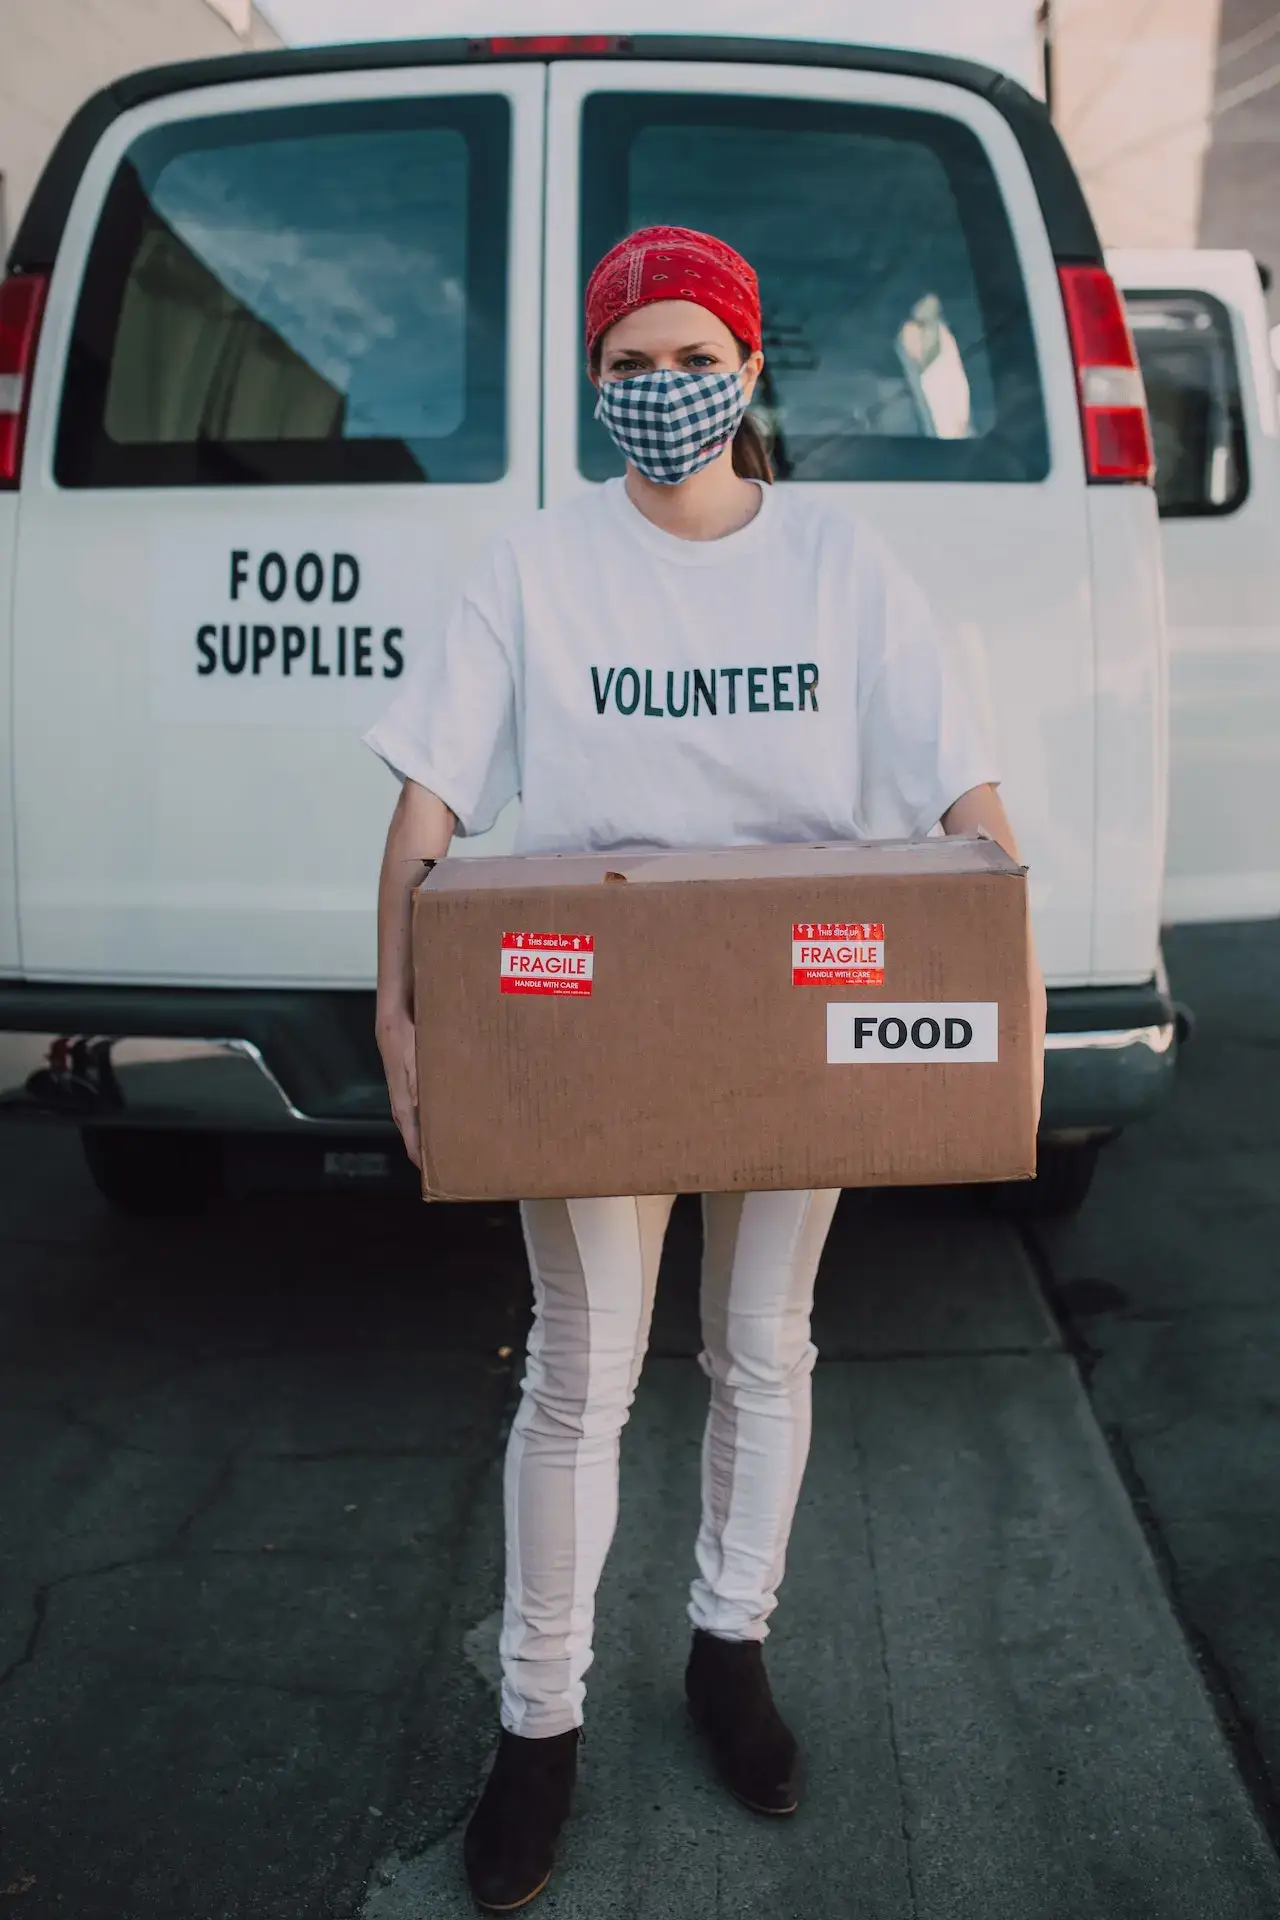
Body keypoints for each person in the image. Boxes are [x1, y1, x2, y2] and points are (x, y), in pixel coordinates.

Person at [367, 225, 1045, 1914]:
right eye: (625, 367)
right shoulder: (537, 568)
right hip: (592, 1016)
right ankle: (538, 1726)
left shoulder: (839, 563)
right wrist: (401, 1006)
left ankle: (728, 1649)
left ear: (748, 369)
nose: (660, 393)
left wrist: (1003, 982)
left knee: (761, 1343)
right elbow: (428, 806)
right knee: (584, 1369)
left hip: (793, 1011)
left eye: (690, 360)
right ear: (591, 384)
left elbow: (962, 793)